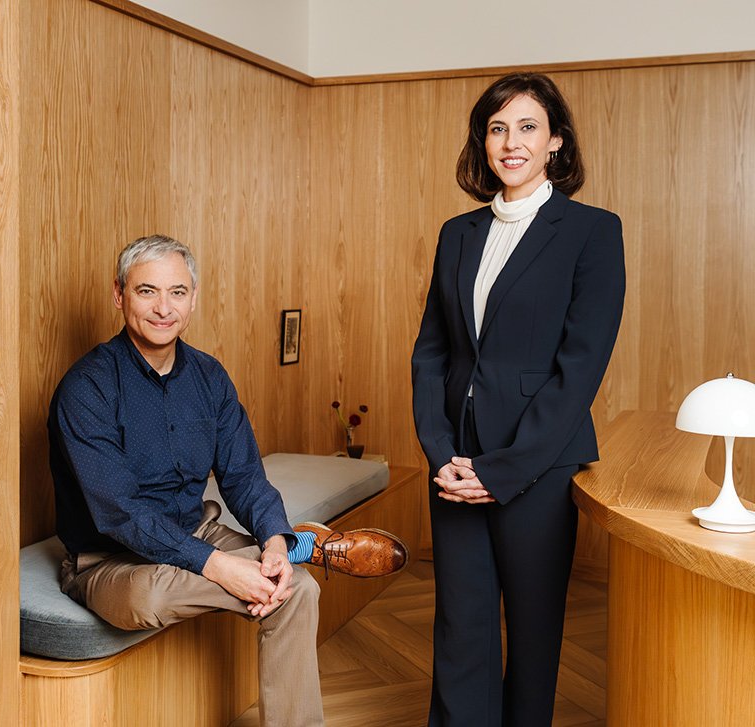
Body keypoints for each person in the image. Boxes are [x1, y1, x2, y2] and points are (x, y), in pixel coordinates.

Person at [49, 234, 407, 727]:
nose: (162, 308)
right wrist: (219, 567)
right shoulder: (86, 386)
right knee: (149, 596)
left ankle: (293, 552)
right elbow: (120, 513)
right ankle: (300, 549)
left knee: (297, 587)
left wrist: (273, 541)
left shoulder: (209, 377)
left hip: (197, 530)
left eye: (177, 292)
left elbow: (243, 476)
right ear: (119, 295)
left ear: (193, 298)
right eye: (146, 291)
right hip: (108, 560)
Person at [412, 72, 625, 726]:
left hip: (538, 466)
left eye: (528, 127)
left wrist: (501, 469)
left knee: (533, 635)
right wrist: (442, 452)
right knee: (461, 630)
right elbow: (432, 354)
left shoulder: (592, 231)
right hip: (456, 464)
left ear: (555, 141)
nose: (511, 142)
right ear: (483, 141)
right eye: (498, 127)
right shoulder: (458, 232)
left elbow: (579, 368)